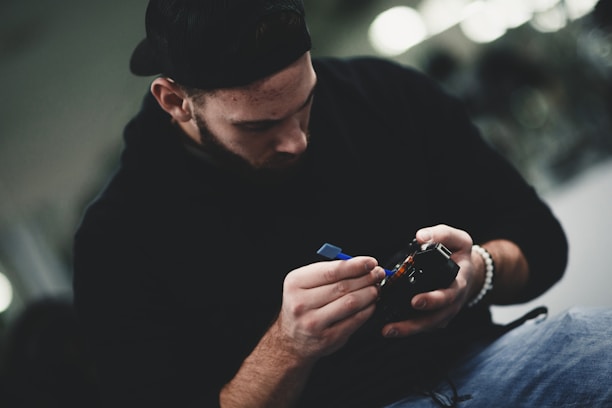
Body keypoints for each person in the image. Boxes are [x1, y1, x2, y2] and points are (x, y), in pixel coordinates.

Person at [72, 1, 612, 407]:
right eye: (258, 126)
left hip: (482, 369)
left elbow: (539, 238)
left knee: (594, 344)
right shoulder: (116, 239)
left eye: (304, 104)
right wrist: (287, 348)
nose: (295, 141)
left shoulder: (385, 94)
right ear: (175, 101)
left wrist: (478, 274)